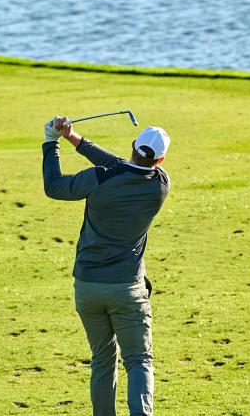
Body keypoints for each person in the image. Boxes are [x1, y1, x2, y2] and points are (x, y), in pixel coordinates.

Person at [42, 115, 171, 416]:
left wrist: (52, 142)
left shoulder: (99, 178)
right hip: (128, 290)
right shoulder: (160, 185)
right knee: (138, 361)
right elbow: (123, 166)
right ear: (161, 159)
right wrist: (75, 138)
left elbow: (55, 187)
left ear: (133, 145)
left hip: (88, 287)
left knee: (102, 359)